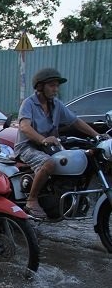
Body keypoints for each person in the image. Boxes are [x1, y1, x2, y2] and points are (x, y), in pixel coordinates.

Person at [15, 67, 101, 218]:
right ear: (40, 86)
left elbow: (75, 121)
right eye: (52, 85)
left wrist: (97, 135)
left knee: (79, 157)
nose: (56, 89)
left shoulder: (56, 104)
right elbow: (24, 127)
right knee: (48, 164)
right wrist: (42, 139)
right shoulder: (28, 104)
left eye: (57, 86)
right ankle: (32, 199)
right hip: (28, 146)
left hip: (50, 147)